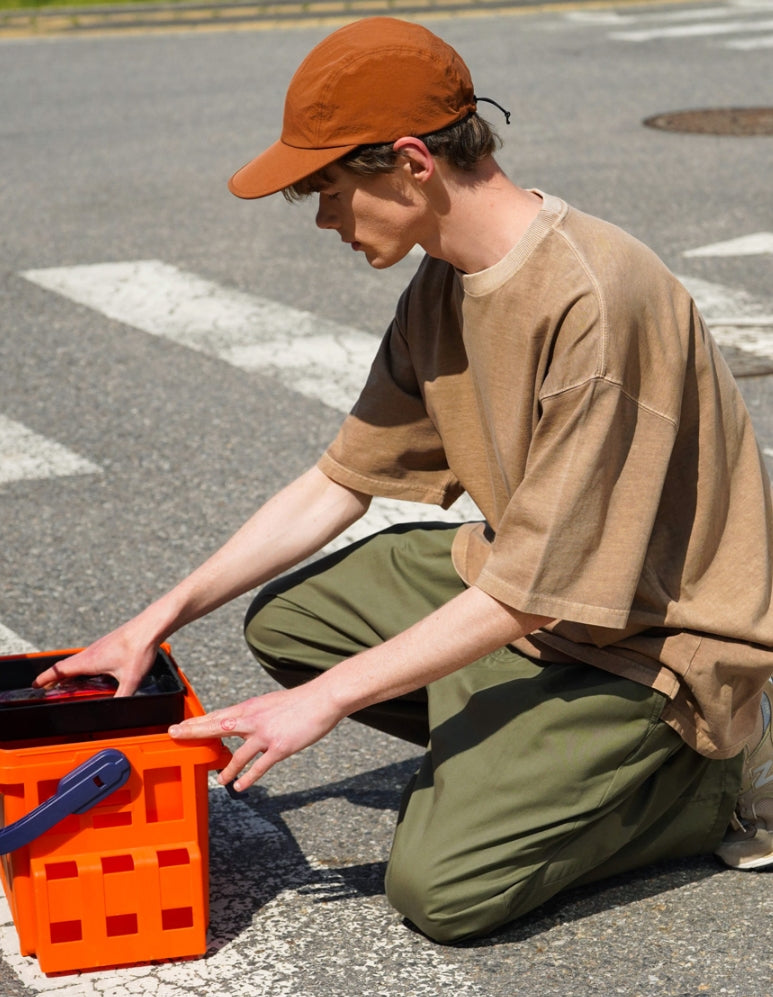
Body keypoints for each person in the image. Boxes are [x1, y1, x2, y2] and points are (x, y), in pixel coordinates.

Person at [35, 17, 773, 943]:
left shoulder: (592, 298)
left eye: (328, 188)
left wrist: (330, 697)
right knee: (292, 620)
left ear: (413, 163)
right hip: (538, 594)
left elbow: (534, 590)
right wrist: (149, 623)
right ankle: (521, 748)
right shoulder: (445, 280)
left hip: (654, 639)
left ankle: (708, 778)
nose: (321, 218)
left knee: (441, 888)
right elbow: (340, 481)